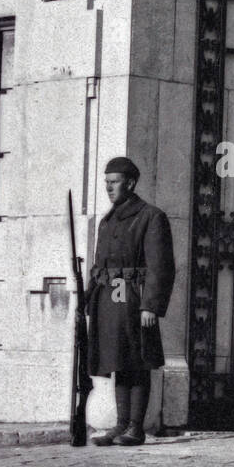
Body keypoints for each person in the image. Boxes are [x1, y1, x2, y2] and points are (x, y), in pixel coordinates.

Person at [86, 157, 176, 446]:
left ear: (130, 183)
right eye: (107, 182)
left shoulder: (150, 216)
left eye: (114, 182)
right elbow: (99, 264)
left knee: (137, 360)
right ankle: (121, 424)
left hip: (134, 298)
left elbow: (160, 265)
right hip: (110, 297)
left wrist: (150, 304)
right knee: (117, 359)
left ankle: (136, 427)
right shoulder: (107, 220)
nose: (109, 188)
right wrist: (88, 301)